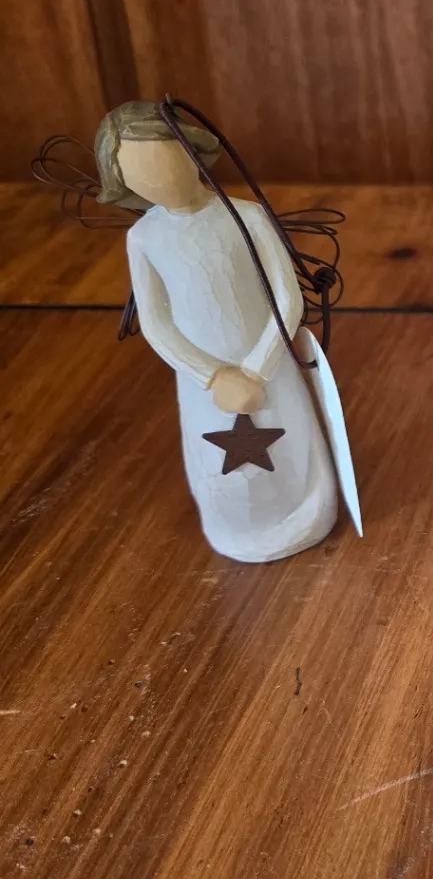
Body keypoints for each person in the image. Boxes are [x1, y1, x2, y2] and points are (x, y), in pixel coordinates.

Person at [97, 101, 339, 562]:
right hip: (204, 385)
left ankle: (306, 510)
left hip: (269, 365)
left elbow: (288, 300)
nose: (160, 177)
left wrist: (257, 369)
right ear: (123, 184)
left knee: (290, 443)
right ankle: (237, 526)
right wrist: (213, 376)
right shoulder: (144, 238)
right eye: (140, 172)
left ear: (194, 150)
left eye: (168, 157)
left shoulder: (247, 217)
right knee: (222, 467)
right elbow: (156, 323)